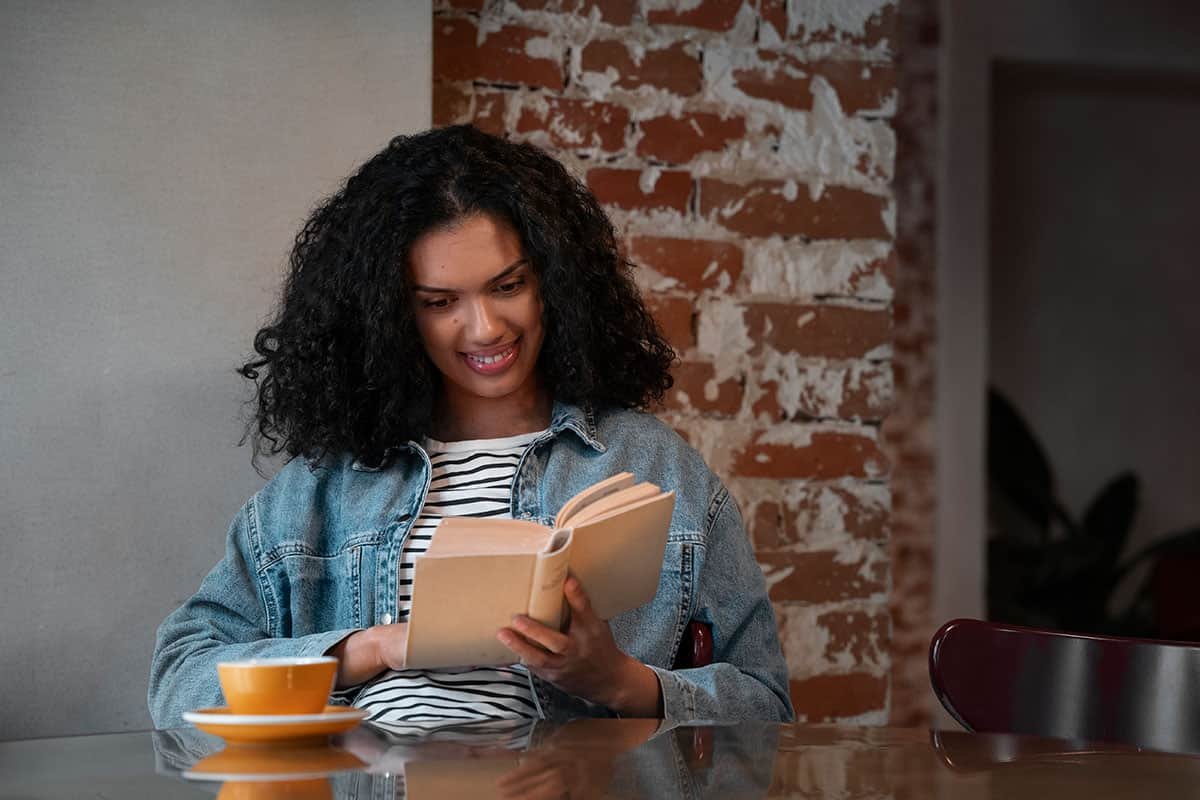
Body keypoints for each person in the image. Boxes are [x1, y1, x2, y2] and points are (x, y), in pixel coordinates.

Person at [148, 125, 794, 728]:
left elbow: (765, 704)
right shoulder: (323, 488)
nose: (485, 328)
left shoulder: (656, 466)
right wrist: (371, 648)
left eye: (507, 285)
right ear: (389, 315)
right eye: (439, 303)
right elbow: (179, 679)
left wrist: (621, 683)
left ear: (555, 282)